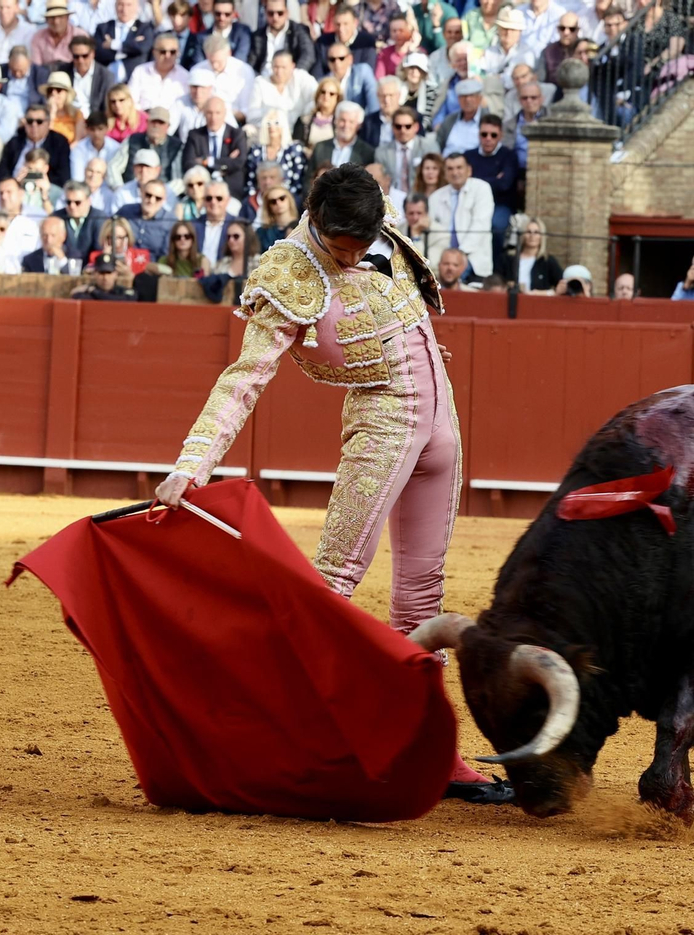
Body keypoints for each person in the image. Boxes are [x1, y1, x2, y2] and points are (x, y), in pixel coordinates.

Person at [152, 163, 507, 802]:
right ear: (315, 221)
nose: (357, 253)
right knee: (332, 584)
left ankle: (433, 752)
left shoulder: (376, 225)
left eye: (365, 241)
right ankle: (284, 740)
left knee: (422, 596)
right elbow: (244, 378)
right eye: (345, 243)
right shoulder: (288, 272)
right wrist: (191, 463)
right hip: (382, 429)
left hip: (441, 428)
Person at [425, 150, 493, 278]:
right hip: (441, 258)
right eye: (450, 169)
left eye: (459, 168)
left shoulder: (482, 188)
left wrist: (458, 255)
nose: (455, 172)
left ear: (469, 170)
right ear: (444, 173)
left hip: (471, 256)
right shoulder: (435, 197)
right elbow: (433, 232)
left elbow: (481, 225)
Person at [183, 96, 250, 199]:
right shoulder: (195, 135)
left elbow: (239, 162)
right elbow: (189, 163)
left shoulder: (237, 134)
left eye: (217, 113)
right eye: (209, 113)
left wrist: (208, 161)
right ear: (204, 113)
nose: (213, 118)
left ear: (224, 113)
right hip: (202, 193)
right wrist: (226, 162)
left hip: (231, 192)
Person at [464, 113, 516, 240]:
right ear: (479, 134)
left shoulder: (509, 156)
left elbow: (504, 184)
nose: (488, 138)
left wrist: (475, 180)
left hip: (499, 204)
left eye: (493, 135)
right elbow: (464, 183)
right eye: (484, 134)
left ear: (500, 136)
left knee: (495, 226)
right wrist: (495, 179)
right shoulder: (468, 156)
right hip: (472, 203)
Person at [307, 99, 373, 184]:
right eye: (342, 120)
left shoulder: (367, 153)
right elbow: (308, 180)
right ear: (336, 121)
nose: (346, 125)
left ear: (359, 125)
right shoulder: (320, 147)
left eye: (351, 122)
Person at [494, 215, 560, 292]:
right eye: (528, 232)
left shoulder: (548, 261)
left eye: (536, 232)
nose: (532, 236)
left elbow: (561, 287)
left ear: (541, 236)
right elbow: (495, 283)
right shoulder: (506, 258)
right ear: (522, 235)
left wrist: (544, 293)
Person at [70, 251, 139, 299]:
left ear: (115, 274)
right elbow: (77, 296)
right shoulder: (87, 293)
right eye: (101, 273)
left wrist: (95, 292)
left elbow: (127, 299)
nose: (105, 277)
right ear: (95, 274)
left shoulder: (122, 292)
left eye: (109, 273)